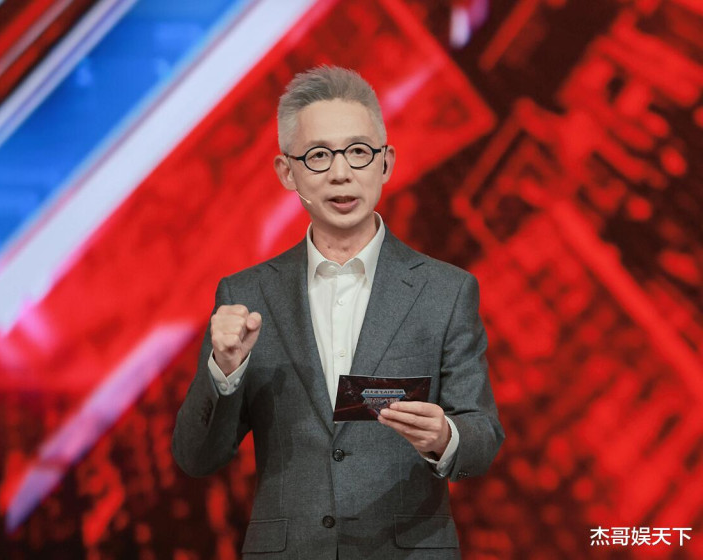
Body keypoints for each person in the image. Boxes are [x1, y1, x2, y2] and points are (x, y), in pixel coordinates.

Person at [172, 66, 504, 559]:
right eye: (319, 155)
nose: (341, 173)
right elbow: (196, 457)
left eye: (359, 152)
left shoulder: (446, 291)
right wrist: (223, 371)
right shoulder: (246, 294)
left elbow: (483, 435)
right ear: (287, 172)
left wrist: (444, 436)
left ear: (386, 163)